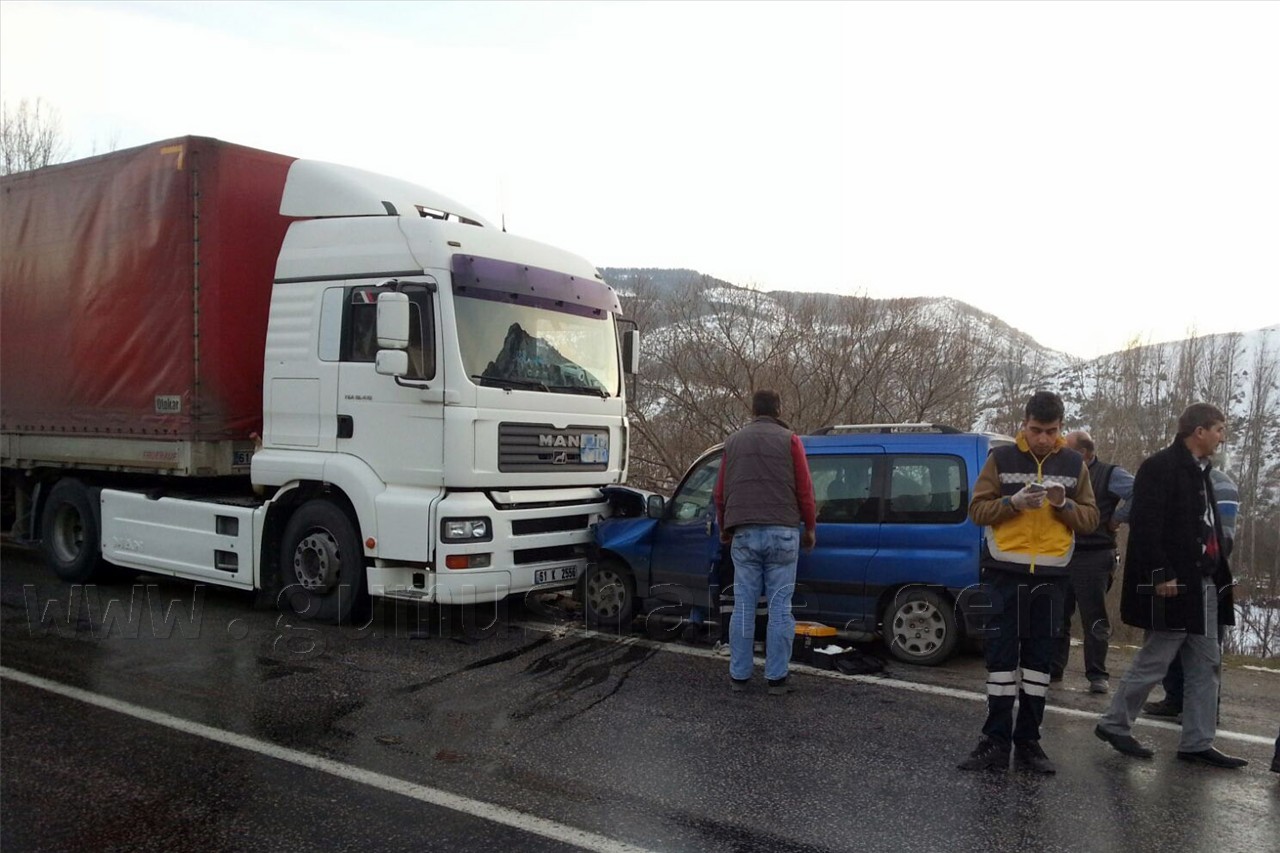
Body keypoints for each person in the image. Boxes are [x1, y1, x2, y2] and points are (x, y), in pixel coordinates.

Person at [1095, 403, 1247, 769]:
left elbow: (1206, 525)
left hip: (1205, 581)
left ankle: (1197, 742)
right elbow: (1146, 526)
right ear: (1199, 431)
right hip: (1175, 583)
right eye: (1219, 429)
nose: (1222, 437)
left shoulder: (1202, 471)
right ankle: (1114, 724)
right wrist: (1162, 574)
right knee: (1157, 657)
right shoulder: (1159, 467)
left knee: (1206, 663)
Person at [958, 391, 1099, 774]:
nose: (1042, 438)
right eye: (1036, 430)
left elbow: (1090, 520)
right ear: (1024, 424)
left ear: (1061, 428)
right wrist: (1013, 504)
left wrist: (1063, 504)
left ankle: (1029, 742)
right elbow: (976, 511)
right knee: (1001, 663)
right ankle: (994, 741)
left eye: (1051, 431)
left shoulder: (1074, 464)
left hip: (1051, 580)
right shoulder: (1001, 458)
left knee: (1038, 666)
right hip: (1003, 575)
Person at [713, 389, 817, 695]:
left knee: (743, 606)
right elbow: (805, 489)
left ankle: (739, 676)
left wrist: (724, 525)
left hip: (744, 532)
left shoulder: (733, 442)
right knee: (780, 608)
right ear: (778, 409)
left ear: (753, 410)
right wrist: (810, 528)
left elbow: (720, 492)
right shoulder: (790, 440)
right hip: (783, 532)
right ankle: (776, 678)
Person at [1142, 467, 1239, 719]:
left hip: (1208, 576)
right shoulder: (1174, 478)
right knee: (1171, 636)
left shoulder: (1222, 484)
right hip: (1176, 574)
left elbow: (1225, 538)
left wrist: (1200, 568)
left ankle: (1207, 709)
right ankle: (1174, 698)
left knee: (1205, 648)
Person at [1051, 431, 1134, 693]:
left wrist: (1118, 517)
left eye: (1066, 448)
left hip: (1095, 555)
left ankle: (1097, 675)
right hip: (1061, 553)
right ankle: (1053, 670)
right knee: (1057, 615)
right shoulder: (1061, 473)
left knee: (1094, 618)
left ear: (1083, 453)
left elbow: (1141, 493)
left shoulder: (1110, 474)